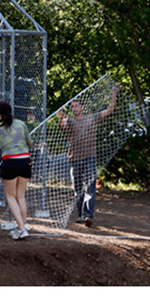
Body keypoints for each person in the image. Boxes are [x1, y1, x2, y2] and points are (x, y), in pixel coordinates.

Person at [60, 91, 117, 226]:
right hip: (74, 159)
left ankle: (88, 216)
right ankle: (81, 215)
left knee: (90, 188)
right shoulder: (69, 120)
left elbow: (110, 110)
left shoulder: (92, 118)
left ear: (82, 107)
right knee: (77, 189)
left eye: (77, 106)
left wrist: (114, 93)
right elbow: (61, 124)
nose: (74, 108)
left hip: (90, 158)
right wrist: (60, 114)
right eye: (72, 106)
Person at [0, 100, 34, 239]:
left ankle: (22, 229)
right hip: (25, 161)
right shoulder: (21, 124)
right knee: (20, 196)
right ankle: (21, 226)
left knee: (10, 196)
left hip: (9, 162)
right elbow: (30, 143)